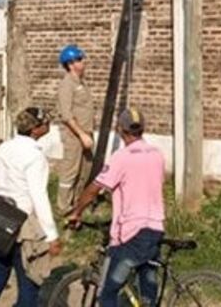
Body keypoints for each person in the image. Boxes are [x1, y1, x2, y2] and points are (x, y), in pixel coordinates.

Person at [68, 107, 165, 307]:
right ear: (143, 129)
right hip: (155, 228)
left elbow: (94, 189)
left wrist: (77, 212)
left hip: (131, 233)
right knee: (147, 292)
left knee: (108, 293)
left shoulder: (122, 157)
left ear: (120, 129)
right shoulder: (157, 154)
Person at [0, 107, 61, 307]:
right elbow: (39, 195)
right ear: (36, 129)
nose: (48, 126)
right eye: (45, 123)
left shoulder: (3, 149)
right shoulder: (34, 156)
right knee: (29, 282)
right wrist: (52, 234)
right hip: (22, 224)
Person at [56, 44, 96, 213]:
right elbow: (66, 114)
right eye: (79, 59)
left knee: (85, 170)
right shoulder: (67, 84)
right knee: (70, 171)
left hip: (85, 133)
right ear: (70, 64)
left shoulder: (81, 83)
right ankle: (63, 207)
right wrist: (81, 135)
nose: (83, 62)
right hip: (74, 135)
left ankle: (78, 203)